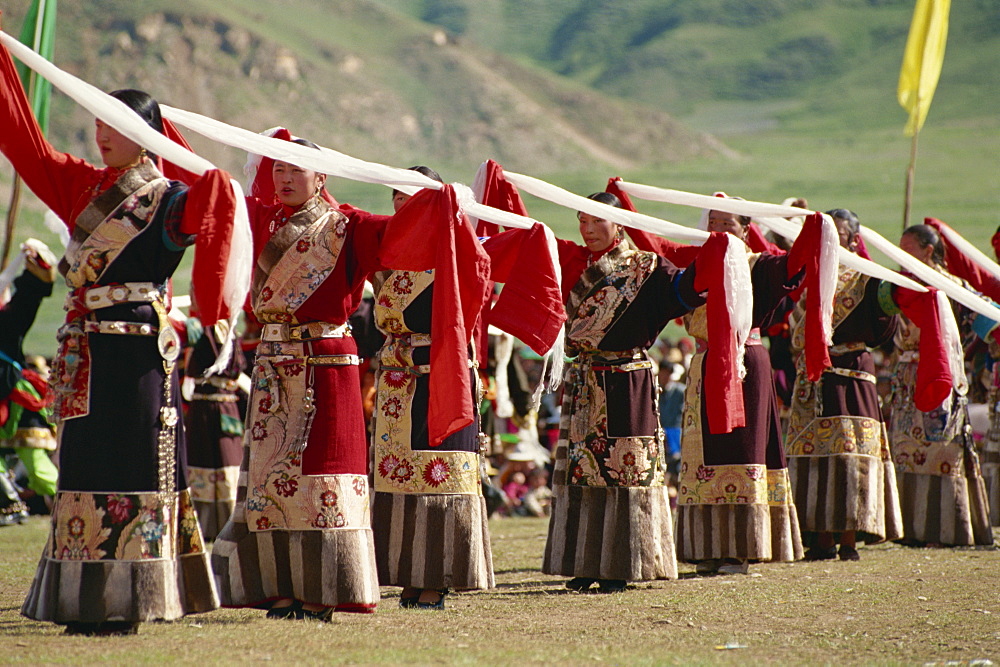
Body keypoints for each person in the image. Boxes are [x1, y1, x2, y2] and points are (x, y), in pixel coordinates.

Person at [1, 39, 232, 633]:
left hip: (138, 355)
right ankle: (81, 596)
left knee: (133, 464)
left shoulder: (173, 200)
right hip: (85, 354)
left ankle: (140, 596)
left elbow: (217, 213)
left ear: (148, 134)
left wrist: (215, 184)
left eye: (118, 124)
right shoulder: (80, 186)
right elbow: (24, 143)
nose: (102, 133)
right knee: (83, 464)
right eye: (98, 121)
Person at [372, 166, 565, 609]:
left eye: (412, 199)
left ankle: (438, 577)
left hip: (445, 380)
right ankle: (405, 572)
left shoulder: (464, 252)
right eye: (396, 199)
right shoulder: (389, 258)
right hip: (399, 386)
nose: (401, 207)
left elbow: (525, 242)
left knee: (441, 476)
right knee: (400, 479)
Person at [211, 131, 387, 619]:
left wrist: (441, 204)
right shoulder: (261, 219)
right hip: (271, 363)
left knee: (323, 472)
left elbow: (403, 235)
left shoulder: (347, 225)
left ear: (321, 176)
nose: (285, 178)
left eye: (296, 170)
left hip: (325, 362)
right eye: (279, 170)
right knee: (272, 479)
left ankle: (324, 590)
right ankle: (279, 588)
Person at [628, 204, 820, 575]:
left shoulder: (760, 265)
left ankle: (740, 550)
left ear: (746, 229)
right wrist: (627, 207)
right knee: (703, 459)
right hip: (703, 365)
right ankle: (707, 549)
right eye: (712, 223)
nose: (718, 230)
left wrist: (809, 227)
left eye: (727, 223)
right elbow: (654, 244)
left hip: (744, 362)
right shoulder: (695, 264)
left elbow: (796, 261)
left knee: (741, 451)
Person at [542, 192, 710, 593]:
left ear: (618, 223)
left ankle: (622, 563)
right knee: (585, 471)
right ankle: (585, 562)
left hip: (627, 378)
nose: (587, 230)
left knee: (625, 469)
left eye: (596, 221)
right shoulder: (578, 265)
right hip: (585, 381)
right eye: (582, 221)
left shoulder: (646, 267)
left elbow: (685, 291)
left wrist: (714, 257)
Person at [784, 209, 903, 560]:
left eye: (839, 233)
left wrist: (889, 296)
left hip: (851, 371)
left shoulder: (866, 279)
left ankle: (849, 537)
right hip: (813, 376)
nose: (832, 240)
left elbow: (885, 326)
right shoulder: (808, 277)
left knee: (851, 453)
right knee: (814, 454)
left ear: (853, 240)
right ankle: (819, 537)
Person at [889, 224, 994, 547]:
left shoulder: (953, 287)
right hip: (907, 380)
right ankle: (911, 528)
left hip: (941, 377)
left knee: (941, 450)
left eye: (909, 249)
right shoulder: (900, 285)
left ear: (929, 251)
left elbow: (987, 317)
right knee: (907, 450)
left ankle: (946, 526)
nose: (902, 256)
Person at [0, 242, 58, 525]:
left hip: (11, 393)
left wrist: (35, 266)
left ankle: (67, 499)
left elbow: (28, 298)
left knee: (35, 464)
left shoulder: (8, 324)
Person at [182, 312, 246, 541]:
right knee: (202, 462)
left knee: (228, 462)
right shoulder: (201, 329)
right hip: (204, 411)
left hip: (223, 408)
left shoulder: (225, 331)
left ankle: (229, 522)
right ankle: (202, 525)